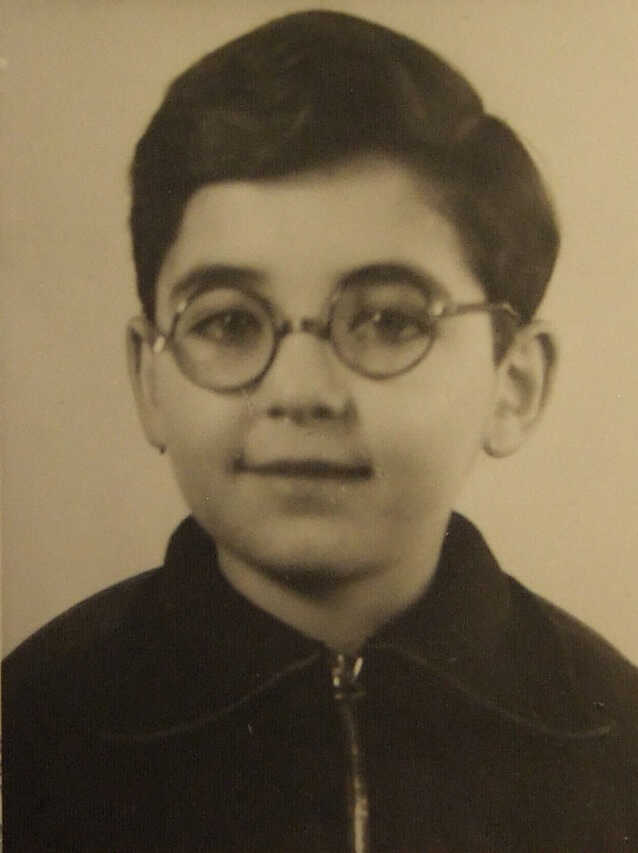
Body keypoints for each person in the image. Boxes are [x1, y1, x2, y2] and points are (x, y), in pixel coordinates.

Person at [3, 9, 637, 852]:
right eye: (229, 323)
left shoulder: (611, 736)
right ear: (150, 378)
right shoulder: (30, 734)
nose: (300, 393)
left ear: (513, 382)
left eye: (387, 320)